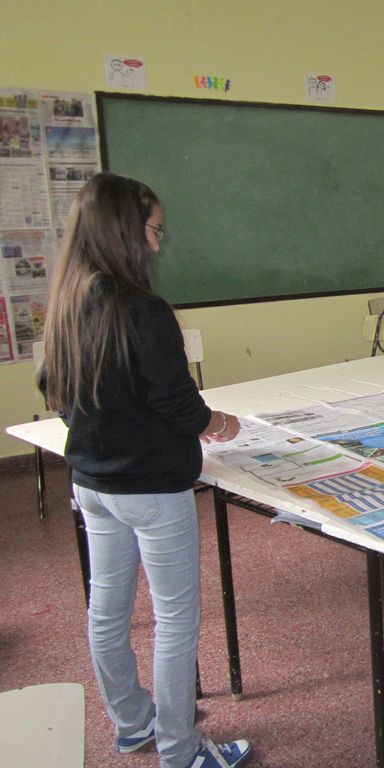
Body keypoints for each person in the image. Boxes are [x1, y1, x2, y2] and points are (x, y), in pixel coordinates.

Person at [41, 173, 252, 768]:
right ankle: (181, 751)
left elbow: (54, 390)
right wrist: (219, 423)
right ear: (125, 233)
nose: (158, 243)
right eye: (155, 230)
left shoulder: (68, 302)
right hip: (153, 491)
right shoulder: (144, 309)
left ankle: (133, 725)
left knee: (107, 613)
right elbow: (177, 403)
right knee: (175, 619)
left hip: (92, 483)